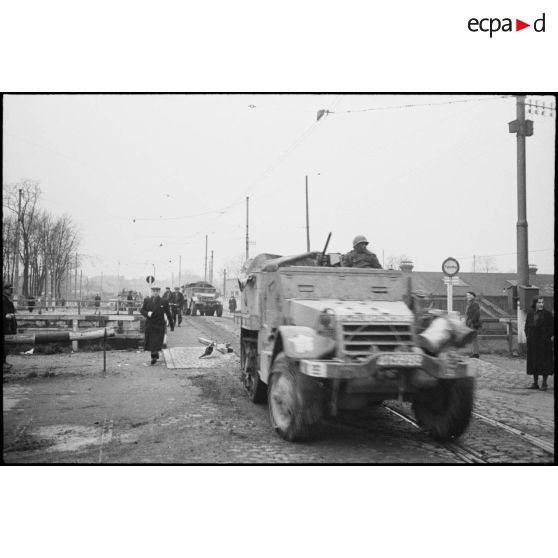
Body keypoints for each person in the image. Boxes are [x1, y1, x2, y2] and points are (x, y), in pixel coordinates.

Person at [525, 296, 554, 391]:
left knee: (545, 362)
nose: (541, 304)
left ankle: (544, 383)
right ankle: (535, 382)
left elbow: (552, 327)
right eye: (539, 302)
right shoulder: (530, 314)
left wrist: (547, 336)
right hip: (533, 342)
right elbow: (527, 326)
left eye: (542, 302)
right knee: (534, 361)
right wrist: (528, 335)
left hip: (544, 342)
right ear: (535, 304)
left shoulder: (548, 314)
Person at [140, 286, 174, 365]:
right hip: (150, 324)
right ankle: (154, 355)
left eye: (157, 291)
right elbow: (142, 310)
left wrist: (172, 325)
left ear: (159, 292)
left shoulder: (164, 301)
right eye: (154, 291)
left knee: (156, 342)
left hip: (159, 325)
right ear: (151, 292)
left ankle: (154, 356)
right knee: (151, 342)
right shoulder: (147, 300)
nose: (155, 292)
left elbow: (168, 313)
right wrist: (147, 313)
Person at [3, 283, 17, 370]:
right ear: (5, 289)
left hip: (8, 324)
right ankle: (3, 363)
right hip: (5, 325)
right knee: (5, 345)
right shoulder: (3, 298)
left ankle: (4, 361)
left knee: (7, 345)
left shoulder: (7, 298)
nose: (11, 290)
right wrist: (5, 315)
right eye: (10, 289)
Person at [465, 291, 482, 358]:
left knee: (474, 338)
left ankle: (476, 353)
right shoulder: (470, 303)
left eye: (469, 295)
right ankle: (475, 352)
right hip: (470, 322)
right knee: (473, 338)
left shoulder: (475, 304)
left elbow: (477, 314)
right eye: (467, 295)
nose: (468, 296)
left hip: (473, 323)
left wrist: (471, 321)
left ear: (473, 296)